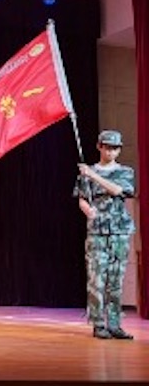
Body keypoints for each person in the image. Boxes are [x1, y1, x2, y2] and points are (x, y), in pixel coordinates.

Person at [75, 130, 136, 340]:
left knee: (115, 280)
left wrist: (92, 175)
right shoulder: (86, 173)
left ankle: (115, 324)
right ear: (99, 146)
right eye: (107, 147)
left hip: (119, 231)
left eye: (115, 148)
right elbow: (82, 198)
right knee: (96, 279)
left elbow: (118, 190)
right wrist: (87, 210)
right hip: (97, 232)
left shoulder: (124, 171)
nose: (111, 152)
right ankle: (98, 323)